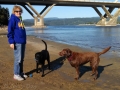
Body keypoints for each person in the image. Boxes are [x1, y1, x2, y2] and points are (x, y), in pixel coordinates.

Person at [7, 5, 27, 81]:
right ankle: (16, 74)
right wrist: (11, 42)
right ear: (14, 12)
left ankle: (20, 72)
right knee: (18, 59)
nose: (19, 12)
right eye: (17, 11)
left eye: (20, 11)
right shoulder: (13, 19)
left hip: (22, 42)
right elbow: (10, 32)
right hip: (17, 42)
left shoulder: (20, 19)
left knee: (22, 59)